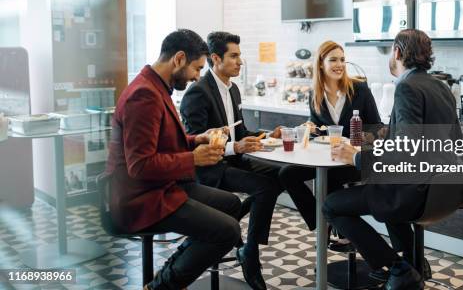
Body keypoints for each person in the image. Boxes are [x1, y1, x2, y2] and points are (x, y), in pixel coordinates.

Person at [323, 29, 463, 290]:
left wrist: (356, 157)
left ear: (397, 52)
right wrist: (387, 137)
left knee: (332, 205)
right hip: (445, 190)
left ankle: (399, 269)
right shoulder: (441, 86)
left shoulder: (406, 87)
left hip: (416, 192)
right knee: (384, 191)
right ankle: (413, 262)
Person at [105, 29, 242, 290]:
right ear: (179, 58)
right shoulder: (144, 96)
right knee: (228, 231)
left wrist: (197, 139)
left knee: (232, 204)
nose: (197, 78)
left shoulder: (156, 88)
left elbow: (161, 143)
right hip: (140, 198)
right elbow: (140, 166)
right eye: (196, 68)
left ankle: (171, 270)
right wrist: (193, 159)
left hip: (161, 186)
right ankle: (160, 287)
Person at [180, 31, 283, 290]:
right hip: (210, 168)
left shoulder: (233, 89)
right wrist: (234, 147)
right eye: (234, 56)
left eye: (240, 55)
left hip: (233, 161)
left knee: (282, 174)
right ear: (215, 58)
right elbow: (195, 140)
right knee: (265, 187)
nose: (240, 61)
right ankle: (250, 254)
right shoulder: (197, 93)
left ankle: (235, 225)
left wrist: (268, 135)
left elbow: (241, 132)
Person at [278, 40, 382, 234]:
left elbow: (377, 127)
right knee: (287, 174)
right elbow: (318, 125)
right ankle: (320, 222)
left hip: (355, 160)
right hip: (330, 156)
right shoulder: (315, 94)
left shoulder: (359, 89)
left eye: (342, 59)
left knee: (329, 177)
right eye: (333, 60)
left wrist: (365, 137)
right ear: (320, 64)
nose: (340, 64)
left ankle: (341, 228)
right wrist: (310, 126)